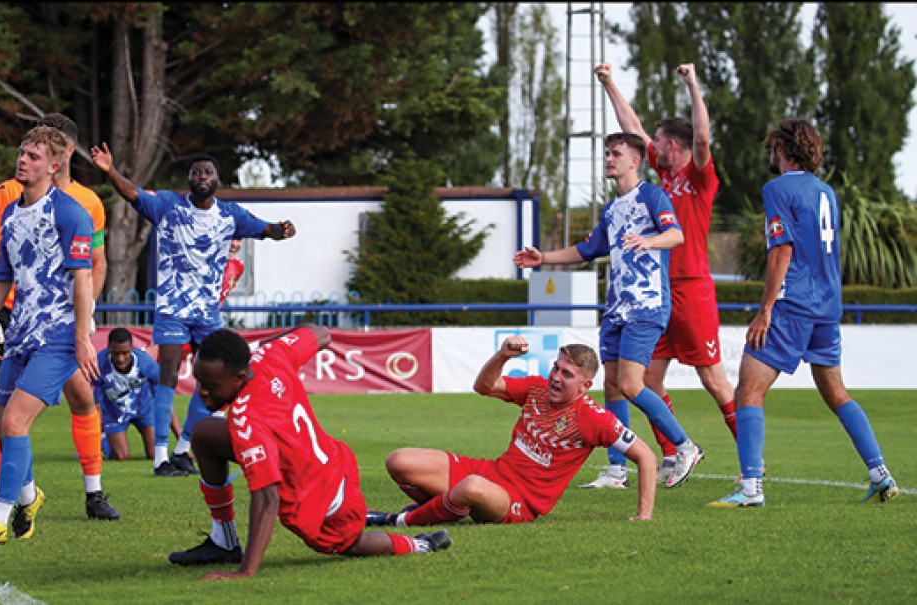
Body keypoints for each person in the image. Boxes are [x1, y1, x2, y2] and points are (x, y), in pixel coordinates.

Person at [708, 119, 900, 507]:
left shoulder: (777, 188)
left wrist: (764, 311)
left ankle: (750, 489)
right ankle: (881, 474)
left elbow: (782, 249)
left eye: (773, 148)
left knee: (749, 391)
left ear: (784, 149)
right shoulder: (827, 192)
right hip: (827, 306)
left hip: (793, 303)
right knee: (836, 392)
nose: (770, 154)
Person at [168, 325, 452, 580]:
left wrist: (247, 571)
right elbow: (320, 334)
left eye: (210, 385)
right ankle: (224, 541)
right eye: (199, 382)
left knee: (351, 544)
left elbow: (267, 498)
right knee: (205, 434)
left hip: (325, 502)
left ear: (240, 376)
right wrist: (257, 347)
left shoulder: (248, 419)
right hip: (330, 461)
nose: (201, 391)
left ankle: (421, 544)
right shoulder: (270, 356)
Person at [90, 142, 297, 478]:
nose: (202, 177)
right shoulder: (169, 205)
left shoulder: (231, 215)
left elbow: (266, 229)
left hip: (207, 311)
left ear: (217, 179)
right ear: (189, 179)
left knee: (212, 375)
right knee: (169, 372)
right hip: (172, 305)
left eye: (208, 172)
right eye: (196, 172)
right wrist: (110, 171)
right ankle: (160, 458)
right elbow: (132, 194)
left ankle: (184, 448)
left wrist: (282, 230)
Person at [513, 132, 704, 488]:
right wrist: (544, 258)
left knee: (632, 385)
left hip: (645, 306)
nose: (609, 159)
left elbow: (675, 235)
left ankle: (685, 446)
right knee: (613, 387)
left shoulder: (651, 195)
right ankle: (617, 469)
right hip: (617, 309)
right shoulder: (612, 208)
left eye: (615, 154)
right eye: (607, 154)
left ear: (634, 161)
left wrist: (648, 241)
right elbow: (587, 250)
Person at [584, 62, 739, 488]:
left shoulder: (699, 177)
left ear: (675, 145)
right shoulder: (662, 179)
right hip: (657, 295)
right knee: (643, 379)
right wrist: (610, 83)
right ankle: (671, 455)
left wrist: (693, 84)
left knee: (714, 380)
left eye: (660, 140)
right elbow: (630, 126)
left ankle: (751, 469)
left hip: (693, 291)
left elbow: (703, 137)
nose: (653, 146)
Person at [365, 334, 657, 528]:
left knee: (470, 487)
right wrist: (502, 356)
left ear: (584, 387)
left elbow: (646, 457)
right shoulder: (537, 388)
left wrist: (644, 516)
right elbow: (483, 387)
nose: (555, 377)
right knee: (399, 460)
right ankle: (449, 509)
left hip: (520, 502)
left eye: (566, 374)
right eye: (556, 368)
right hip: (493, 473)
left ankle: (400, 521)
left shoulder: (595, 418)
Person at [0, 113, 118, 524]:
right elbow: (2, 274)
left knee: (19, 418)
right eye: (22, 152)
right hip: (20, 333)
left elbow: (89, 271)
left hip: (60, 334)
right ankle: (28, 495)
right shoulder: (10, 209)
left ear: (56, 164)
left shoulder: (78, 211)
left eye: (33, 155)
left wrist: (84, 332)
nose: (22, 160)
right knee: (3, 426)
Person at [167, 238, 248, 474]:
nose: (234, 244)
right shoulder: (206, 262)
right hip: (183, 328)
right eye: (230, 238)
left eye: (239, 239)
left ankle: (182, 449)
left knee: (212, 386)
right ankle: (166, 453)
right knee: (155, 378)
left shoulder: (238, 267)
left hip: (204, 330)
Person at [94, 327, 161, 460]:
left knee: (155, 454)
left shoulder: (147, 363)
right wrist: (94, 438)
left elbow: (164, 400)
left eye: (125, 353)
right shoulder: (99, 364)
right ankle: (103, 440)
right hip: (114, 412)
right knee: (121, 457)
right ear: (108, 348)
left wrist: (181, 443)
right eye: (115, 353)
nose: (120, 359)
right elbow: (94, 403)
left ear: (132, 348)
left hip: (144, 408)